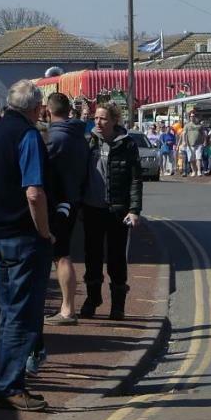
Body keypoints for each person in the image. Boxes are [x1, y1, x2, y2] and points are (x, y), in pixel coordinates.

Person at [0, 80, 53, 411]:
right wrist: (46, 232)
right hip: (24, 236)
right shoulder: (29, 136)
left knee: (8, 313)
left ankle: (7, 381)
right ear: (36, 108)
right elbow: (34, 192)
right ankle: (10, 385)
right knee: (21, 315)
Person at [80, 102, 144, 321]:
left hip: (118, 210)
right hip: (92, 208)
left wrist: (134, 210)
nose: (98, 122)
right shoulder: (89, 141)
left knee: (116, 259)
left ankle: (117, 305)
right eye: (96, 118)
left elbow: (136, 180)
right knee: (92, 256)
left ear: (114, 121)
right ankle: (93, 298)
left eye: (103, 118)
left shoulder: (127, 144)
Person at [42, 93, 89, 326]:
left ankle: (68, 310)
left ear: (48, 110)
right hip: (74, 199)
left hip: (59, 202)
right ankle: (67, 306)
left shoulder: (54, 137)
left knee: (61, 255)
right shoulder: (79, 134)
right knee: (61, 253)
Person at [182, 112, 205, 177]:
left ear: (195, 117)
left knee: (198, 158)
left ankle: (199, 171)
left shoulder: (200, 125)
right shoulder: (187, 125)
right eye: (191, 116)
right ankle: (194, 171)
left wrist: (204, 141)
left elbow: (203, 134)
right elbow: (184, 133)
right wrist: (184, 141)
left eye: (193, 116)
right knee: (191, 159)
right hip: (190, 144)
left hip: (199, 144)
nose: (192, 117)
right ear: (189, 118)